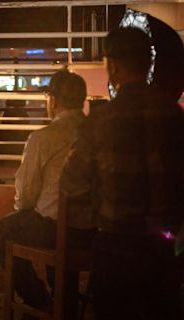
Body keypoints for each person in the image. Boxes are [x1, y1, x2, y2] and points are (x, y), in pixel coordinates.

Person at [60, 27, 184, 320]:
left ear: (112, 66)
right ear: (148, 64)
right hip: (167, 249)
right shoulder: (175, 116)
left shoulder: (101, 120)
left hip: (116, 247)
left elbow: (71, 182)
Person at [0, 70, 95, 317]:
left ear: (53, 101)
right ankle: (64, 301)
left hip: (56, 230)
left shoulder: (42, 138)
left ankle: (39, 301)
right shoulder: (98, 134)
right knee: (49, 222)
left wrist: (24, 208)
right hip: (94, 231)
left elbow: (26, 195)